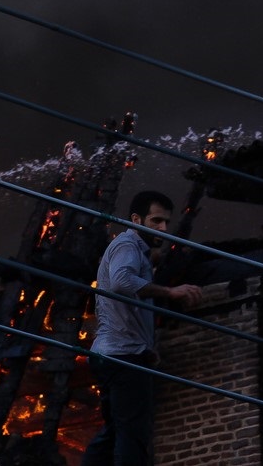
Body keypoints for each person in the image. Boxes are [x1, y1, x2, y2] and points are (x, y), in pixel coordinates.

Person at [82, 191, 204, 466]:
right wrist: (170, 292)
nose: (162, 228)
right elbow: (121, 282)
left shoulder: (136, 250)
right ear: (136, 219)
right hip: (123, 356)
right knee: (134, 434)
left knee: (115, 431)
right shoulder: (128, 245)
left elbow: (132, 305)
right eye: (156, 220)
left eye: (166, 222)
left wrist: (148, 347)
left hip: (116, 353)